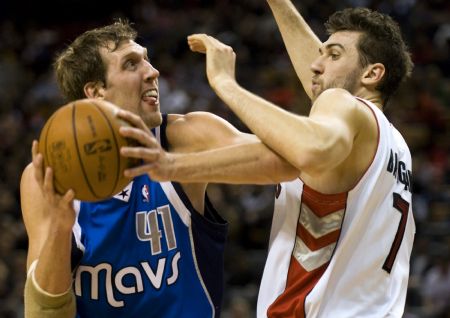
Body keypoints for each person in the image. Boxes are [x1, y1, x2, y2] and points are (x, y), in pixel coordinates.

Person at [119, 1, 416, 317]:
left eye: (334, 55)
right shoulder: (394, 146)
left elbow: (311, 145)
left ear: (372, 73)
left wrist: (225, 85)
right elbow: (323, 93)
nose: (317, 64)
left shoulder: (342, 105)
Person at [20, 20, 298, 317]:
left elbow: (289, 161)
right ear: (96, 91)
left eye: (147, 60)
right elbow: (43, 312)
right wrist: (59, 230)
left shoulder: (183, 138)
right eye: (131, 64)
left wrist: (173, 164)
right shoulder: (50, 178)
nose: (153, 72)